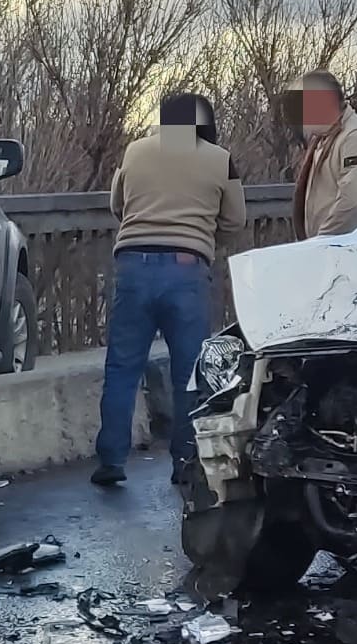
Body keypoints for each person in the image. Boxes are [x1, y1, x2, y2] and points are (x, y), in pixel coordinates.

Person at [94, 91, 245, 488]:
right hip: (186, 271)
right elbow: (236, 219)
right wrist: (202, 237)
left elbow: (117, 204)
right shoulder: (221, 159)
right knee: (189, 374)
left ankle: (110, 459)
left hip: (134, 266)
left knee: (123, 367)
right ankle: (185, 461)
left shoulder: (135, 151)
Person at [284, 69, 357, 238]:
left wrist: (322, 239)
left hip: (352, 248)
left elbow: (354, 203)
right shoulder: (322, 138)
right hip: (331, 248)